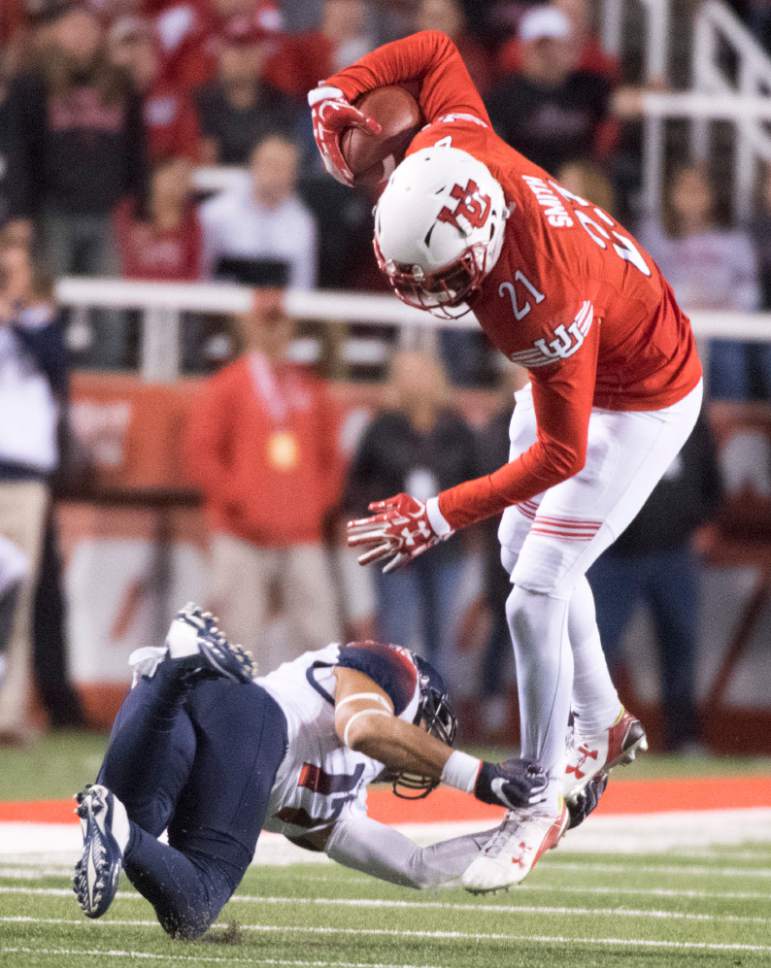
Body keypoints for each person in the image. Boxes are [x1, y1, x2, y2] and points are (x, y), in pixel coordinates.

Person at [307, 28, 702, 891]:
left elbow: (562, 452)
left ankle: (537, 797)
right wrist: (342, 87)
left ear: (479, 248)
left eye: (437, 275)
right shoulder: (455, 144)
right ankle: (595, 721)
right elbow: (436, 49)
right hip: (595, 363)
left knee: (534, 592)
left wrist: (436, 511)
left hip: (640, 399)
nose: (424, 291)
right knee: (523, 556)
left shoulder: (534, 296)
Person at [72, 602, 604, 934]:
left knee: (131, 820)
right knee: (196, 906)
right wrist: (483, 779)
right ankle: (174, 675)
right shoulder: (394, 673)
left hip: (189, 720)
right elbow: (363, 729)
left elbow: (416, 867)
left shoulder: (342, 806)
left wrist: (533, 828)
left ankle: (169, 676)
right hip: (251, 718)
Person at [184, 292, 341, 667]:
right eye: (264, 323)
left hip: (300, 532)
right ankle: (234, 720)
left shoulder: (309, 388)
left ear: (291, 328)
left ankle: (325, 720)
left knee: (319, 634)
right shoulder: (228, 387)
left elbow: (331, 457)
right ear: (248, 326)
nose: (273, 333)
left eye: (280, 324)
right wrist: (238, 501)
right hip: (241, 534)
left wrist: (313, 506)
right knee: (238, 637)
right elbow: (201, 453)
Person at [588, 412, 722, 752]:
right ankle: (590, 738)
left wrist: (708, 518)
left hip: (674, 552)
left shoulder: (689, 413)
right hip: (616, 552)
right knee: (595, 647)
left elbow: (708, 470)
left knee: (681, 644)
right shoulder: (611, 412)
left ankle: (683, 737)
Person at [343, 351, 478, 671]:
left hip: (446, 543)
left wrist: (472, 529)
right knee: (398, 628)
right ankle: (399, 706)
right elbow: (358, 482)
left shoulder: (456, 429)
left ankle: (440, 710)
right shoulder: (381, 428)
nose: (415, 382)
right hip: (397, 543)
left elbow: (475, 480)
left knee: (441, 633)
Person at [0, 239, 68, 743]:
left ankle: (6, 713)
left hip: (24, 483)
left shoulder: (42, 326)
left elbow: (54, 366)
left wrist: (15, 315)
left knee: (17, 604)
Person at [638, 164, 762, 401]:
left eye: (699, 189)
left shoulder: (733, 239)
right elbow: (643, 284)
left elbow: (749, 289)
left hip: (724, 325)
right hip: (671, 325)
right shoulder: (654, 235)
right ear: (671, 194)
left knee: (730, 357)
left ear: (712, 195)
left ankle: (731, 430)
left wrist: (726, 311)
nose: (692, 196)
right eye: (686, 189)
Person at [486, 6, 614, 175]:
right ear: (524, 51)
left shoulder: (591, 87)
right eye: (541, 48)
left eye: (555, 47)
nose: (549, 55)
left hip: (579, 182)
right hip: (524, 181)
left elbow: (624, 103)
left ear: (570, 51)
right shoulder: (502, 98)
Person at [199, 134, 317, 289]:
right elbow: (200, 275)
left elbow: (303, 285)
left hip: (278, 310)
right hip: (219, 308)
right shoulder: (216, 214)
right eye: (270, 164)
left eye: (285, 168)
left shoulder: (302, 222)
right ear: (253, 164)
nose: (276, 174)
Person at [195, 13, 298, 166]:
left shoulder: (281, 104)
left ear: (262, 55)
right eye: (234, 49)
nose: (242, 57)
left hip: (268, 186)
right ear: (220, 55)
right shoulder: (201, 103)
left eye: (249, 49)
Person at [107, 14, 202, 163]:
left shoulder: (173, 97)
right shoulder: (100, 100)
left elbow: (188, 151)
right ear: (109, 55)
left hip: (163, 177)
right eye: (127, 45)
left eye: (144, 44)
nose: (136, 53)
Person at [115, 156, 202, 282]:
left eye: (184, 178)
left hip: (178, 296)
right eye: (173, 176)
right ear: (155, 177)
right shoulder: (127, 212)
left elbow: (194, 270)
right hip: (131, 295)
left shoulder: (192, 220)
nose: (178, 184)